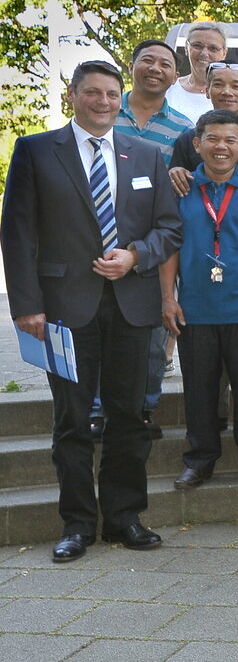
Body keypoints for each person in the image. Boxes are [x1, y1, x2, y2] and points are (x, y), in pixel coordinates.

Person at [1, 61, 181, 563]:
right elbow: (16, 233)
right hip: (61, 310)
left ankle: (125, 518)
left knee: (129, 416)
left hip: (132, 306)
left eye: (110, 94)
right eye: (92, 93)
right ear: (73, 95)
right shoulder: (36, 150)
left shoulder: (146, 155)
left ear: (120, 99)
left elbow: (169, 228)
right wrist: (26, 305)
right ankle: (77, 524)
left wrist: (136, 255)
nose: (103, 102)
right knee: (73, 420)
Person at [160, 110, 238, 489]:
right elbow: (169, 248)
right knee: (199, 388)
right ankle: (200, 458)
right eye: (212, 139)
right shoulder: (180, 189)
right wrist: (168, 298)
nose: (221, 147)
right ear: (197, 144)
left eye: (230, 140)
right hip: (194, 308)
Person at [113, 40, 193, 439]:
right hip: (103, 239)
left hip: (157, 243)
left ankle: (145, 407)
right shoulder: (105, 114)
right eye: (148, 60)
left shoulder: (182, 129)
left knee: (152, 334)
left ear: (175, 76)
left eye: (166, 64)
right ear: (132, 66)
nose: (156, 68)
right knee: (99, 329)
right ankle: (98, 409)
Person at [164, 21, 238, 120]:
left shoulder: (237, 94)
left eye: (213, 48)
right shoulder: (169, 90)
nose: (204, 53)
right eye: (197, 46)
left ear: (224, 53)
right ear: (187, 48)